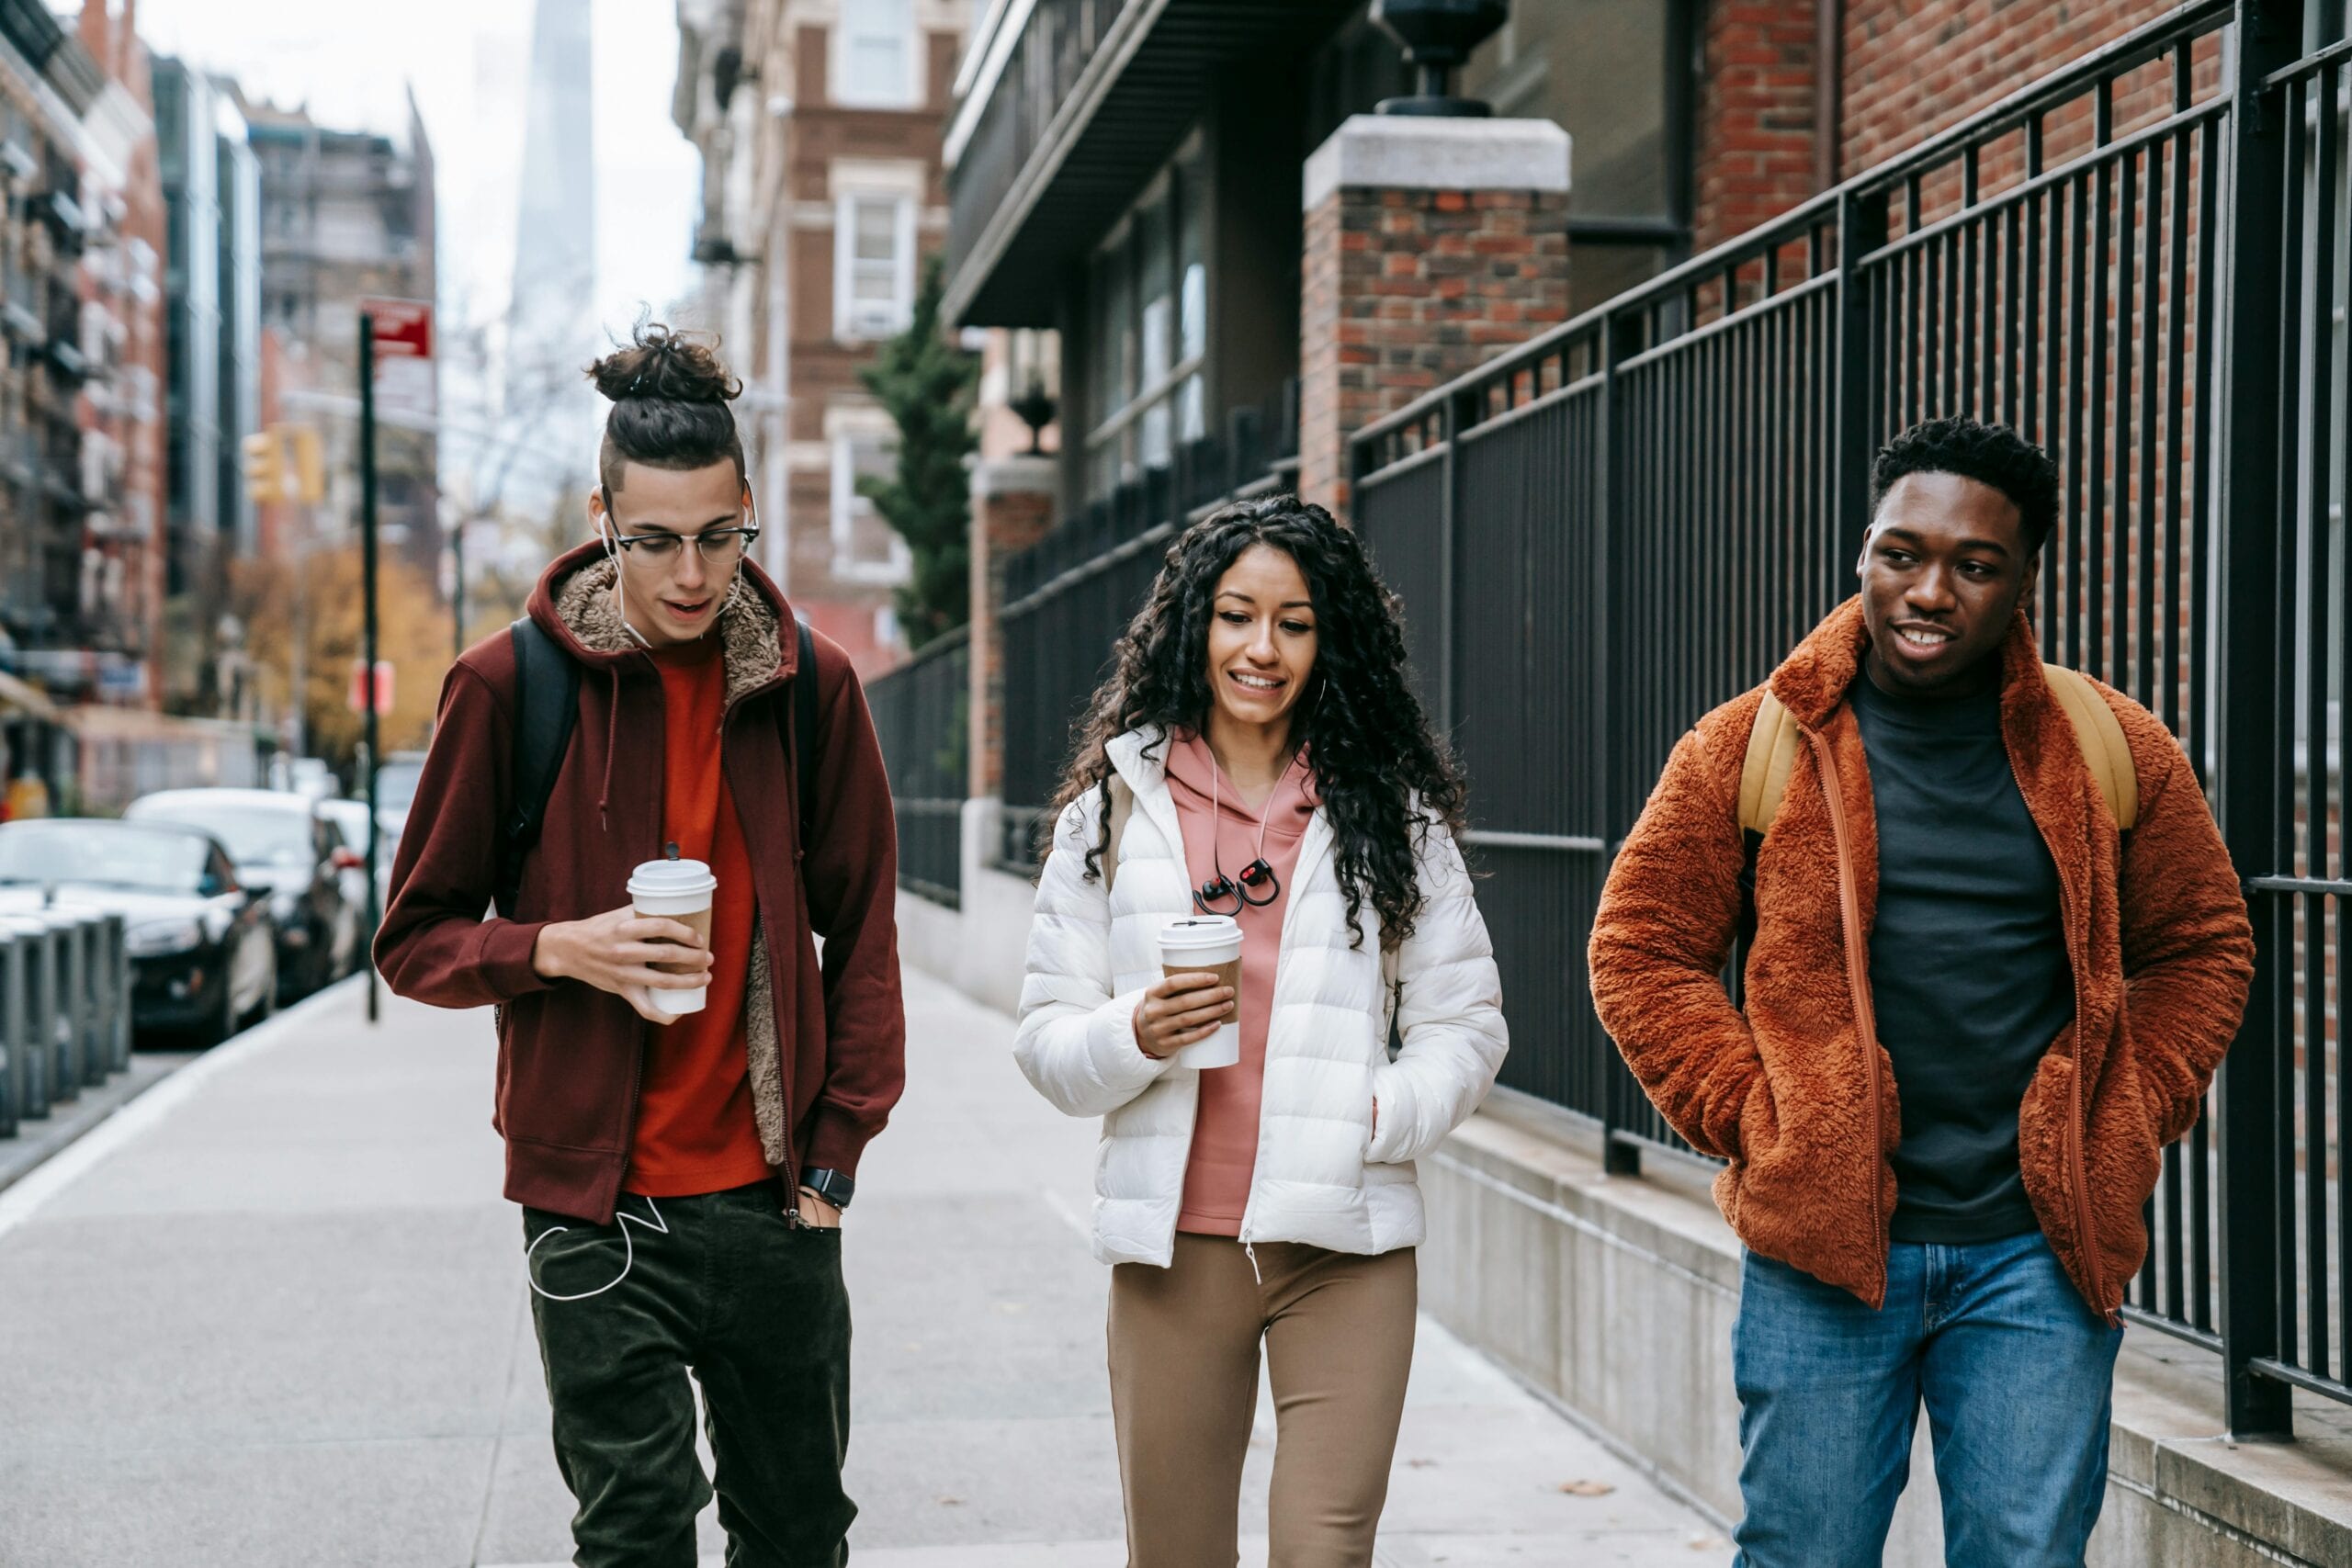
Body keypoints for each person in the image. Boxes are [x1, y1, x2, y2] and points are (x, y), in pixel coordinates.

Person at [1588, 416, 2254, 1567]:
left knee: (2026, 1556)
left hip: (2036, 1254)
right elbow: (1638, 947)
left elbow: (2203, 944)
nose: (1928, 590)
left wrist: (2129, 1108)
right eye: (1902, 553)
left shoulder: (2112, 747)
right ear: (1863, 552)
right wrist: (1762, 1119)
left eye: (1973, 565)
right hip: (1825, 1255)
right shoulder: (1752, 745)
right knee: (1803, 1554)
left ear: (2025, 579)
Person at [375, 324, 903, 1568]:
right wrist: (562, 947)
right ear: (601, 517)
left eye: (719, 537)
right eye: (654, 539)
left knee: (797, 1533)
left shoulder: (810, 688)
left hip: (774, 1202)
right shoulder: (509, 685)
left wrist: (835, 1151)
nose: (689, 572)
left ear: (747, 514)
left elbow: (864, 922)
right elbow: (414, 937)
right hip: (593, 1214)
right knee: (636, 1536)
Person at [1014, 494, 1509, 1568]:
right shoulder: (1110, 810)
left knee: (1324, 1552)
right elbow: (1047, 1041)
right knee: (1178, 1554)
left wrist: (1379, 1113)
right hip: (1173, 1249)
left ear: (1330, 639)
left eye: (1294, 622)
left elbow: (1464, 1023)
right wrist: (1133, 1032)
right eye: (1238, 615)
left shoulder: (1390, 813)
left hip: (1344, 1247)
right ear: (1195, 624)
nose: (1262, 648)